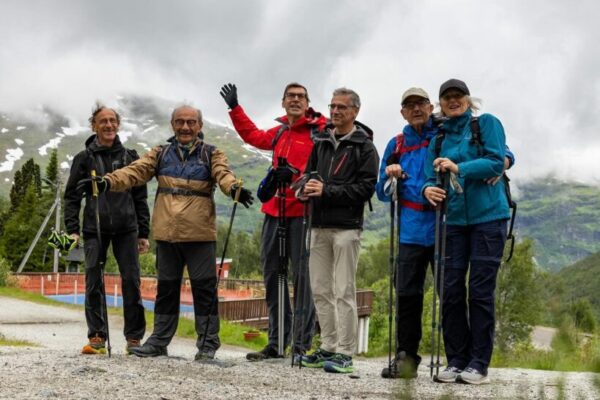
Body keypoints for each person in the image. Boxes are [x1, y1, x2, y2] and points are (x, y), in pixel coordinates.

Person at [78, 105, 253, 360]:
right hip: (167, 234)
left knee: (204, 292)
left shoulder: (211, 153)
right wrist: (108, 181)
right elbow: (135, 171)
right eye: (180, 122)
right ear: (172, 124)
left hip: (199, 236)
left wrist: (233, 188)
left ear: (199, 126)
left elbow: (223, 174)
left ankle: (207, 345)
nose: (185, 127)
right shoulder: (160, 154)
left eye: (191, 122)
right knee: (166, 291)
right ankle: (159, 341)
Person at [376, 87, 515, 379]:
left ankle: (471, 360)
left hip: (446, 225)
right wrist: (396, 177)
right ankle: (410, 358)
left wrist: (505, 160)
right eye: (409, 105)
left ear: (431, 107)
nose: (415, 109)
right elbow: (381, 191)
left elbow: (500, 151)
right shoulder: (398, 143)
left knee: (464, 292)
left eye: (420, 104)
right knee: (412, 295)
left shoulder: (448, 130)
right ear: (402, 111)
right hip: (416, 230)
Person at [220, 82, 327, 360]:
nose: (295, 100)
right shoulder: (280, 131)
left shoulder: (319, 131)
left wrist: (293, 177)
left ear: (308, 102)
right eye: (290, 96)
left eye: (300, 96)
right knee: (274, 279)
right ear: (282, 102)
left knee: (303, 280)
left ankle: (301, 346)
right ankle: (277, 343)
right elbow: (253, 136)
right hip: (273, 212)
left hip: (303, 214)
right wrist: (235, 108)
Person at [423, 79, 511, 384]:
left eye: (457, 96)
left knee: (480, 292)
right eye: (446, 97)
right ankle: (456, 360)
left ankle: (478, 363)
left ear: (468, 99)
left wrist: (460, 168)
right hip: (453, 221)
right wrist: (427, 189)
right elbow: (427, 174)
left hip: (489, 218)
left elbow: (496, 161)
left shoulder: (486, 124)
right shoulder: (439, 137)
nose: (452, 100)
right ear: (440, 104)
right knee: (449, 291)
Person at [299, 88, 379, 374]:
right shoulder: (320, 141)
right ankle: (327, 346)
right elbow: (309, 174)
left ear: (355, 111)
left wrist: (326, 190)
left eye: (341, 107)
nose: (335, 112)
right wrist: (303, 189)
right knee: (320, 289)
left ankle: (345, 352)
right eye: (332, 106)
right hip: (317, 224)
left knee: (344, 289)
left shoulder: (365, 147)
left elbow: (366, 189)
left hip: (347, 228)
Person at [64, 104, 150, 355]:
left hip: (127, 229)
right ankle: (97, 337)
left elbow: (140, 197)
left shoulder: (130, 157)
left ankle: (134, 339)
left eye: (113, 120)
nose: (109, 125)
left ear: (118, 125)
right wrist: (73, 229)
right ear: (94, 125)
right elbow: (71, 197)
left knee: (132, 281)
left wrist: (143, 232)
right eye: (104, 121)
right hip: (94, 229)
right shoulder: (84, 158)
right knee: (93, 281)